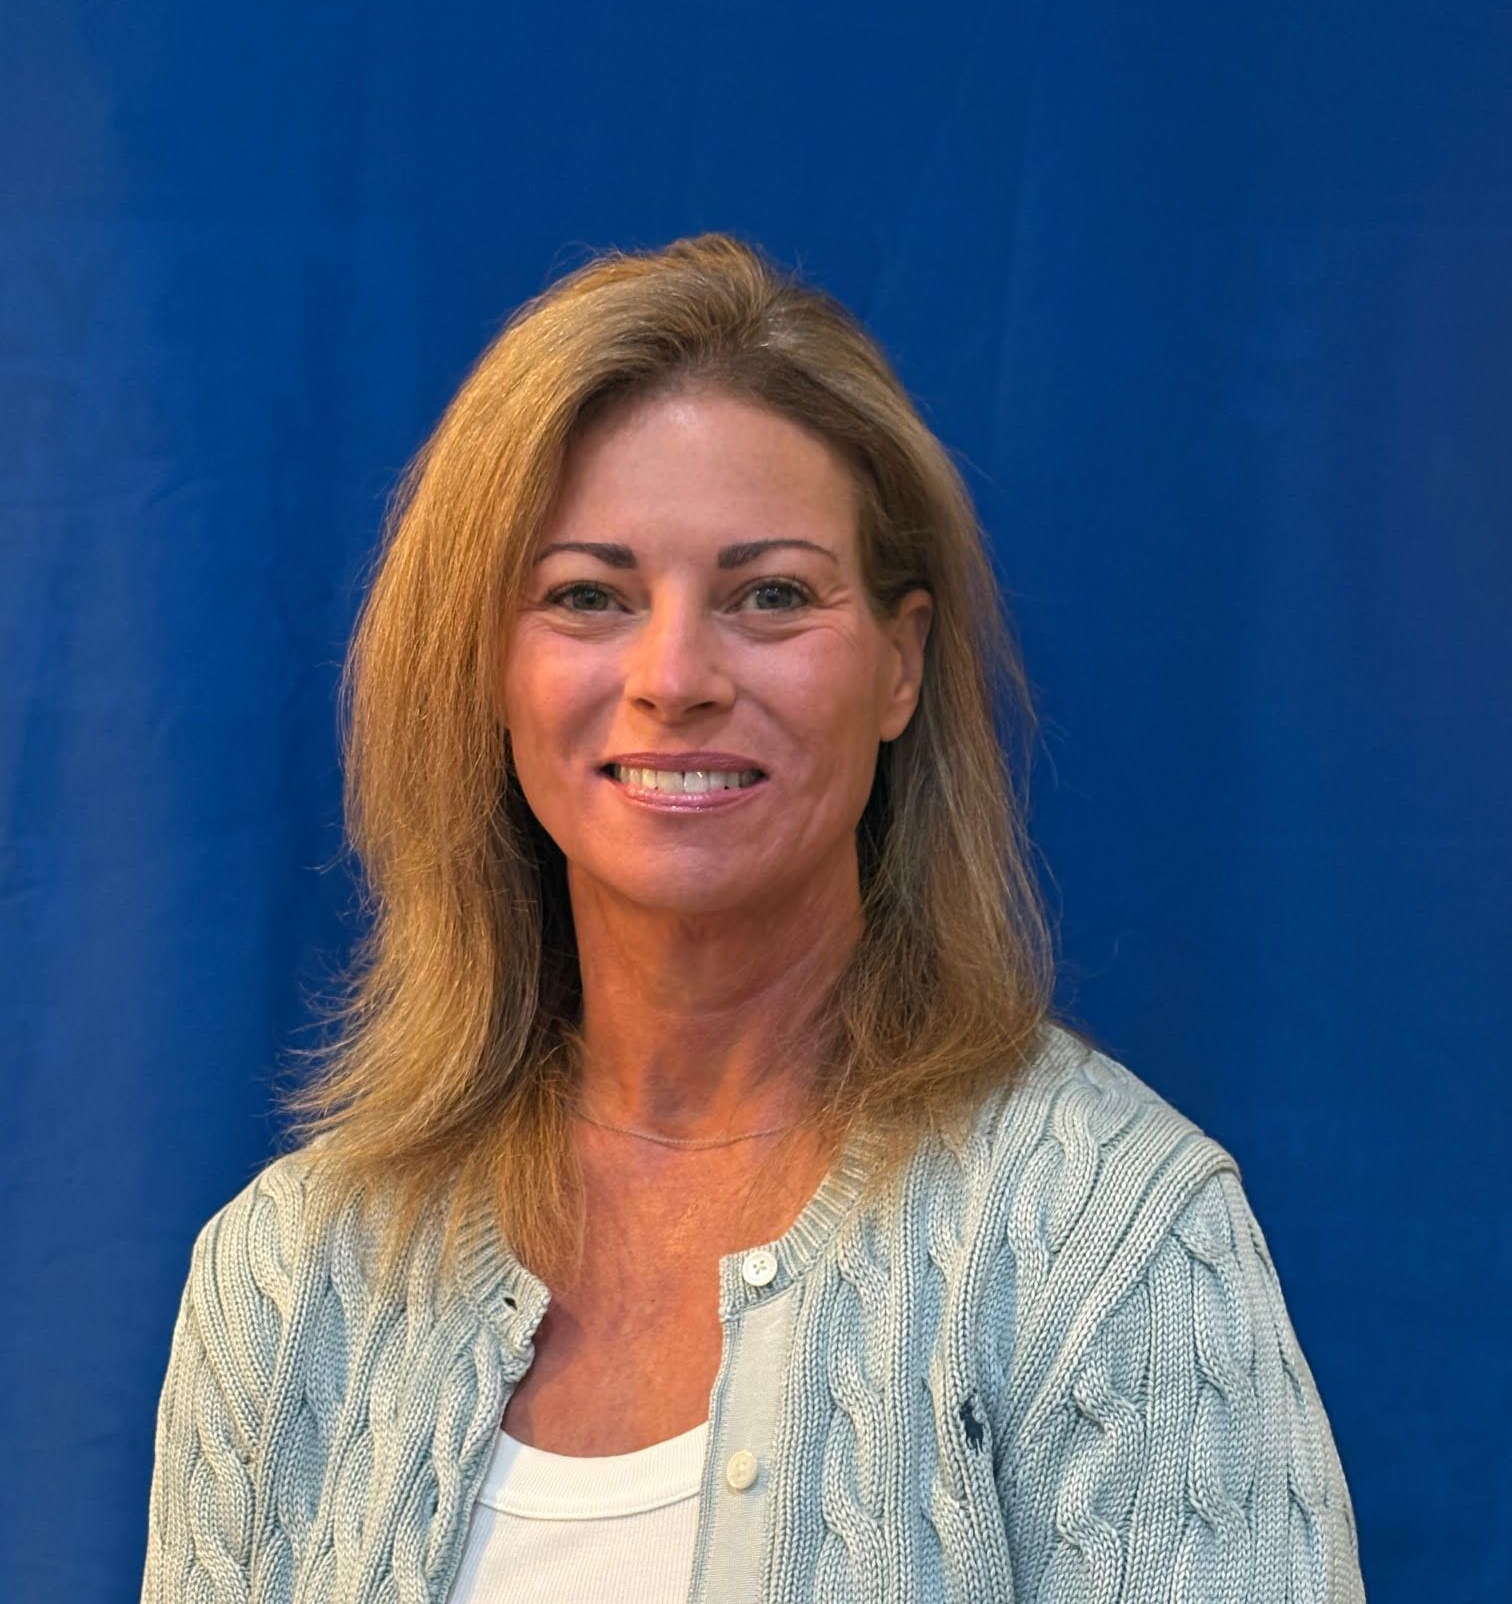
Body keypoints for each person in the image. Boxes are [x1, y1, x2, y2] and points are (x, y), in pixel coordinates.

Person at [139, 233, 1365, 1603]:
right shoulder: (283, 1279)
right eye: (588, 597)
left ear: (899, 664)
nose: (674, 677)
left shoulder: (1111, 1244)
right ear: (490, 666)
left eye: (769, 595)